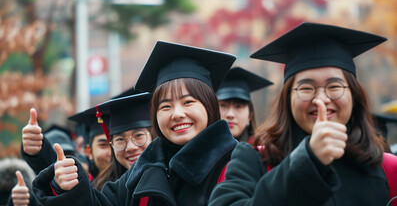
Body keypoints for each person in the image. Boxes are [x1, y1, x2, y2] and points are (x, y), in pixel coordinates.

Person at [209, 22, 397, 205]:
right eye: (306, 88)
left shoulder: (389, 169)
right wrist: (309, 160)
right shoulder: (253, 161)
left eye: (334, 86)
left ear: (354, 95)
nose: (321, 99)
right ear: (288, 98)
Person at [31, 40, 238, 206]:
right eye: (165, 106)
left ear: (210, 106)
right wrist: (69, 184)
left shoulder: (236, 163)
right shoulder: (145, 170)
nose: (177, 114)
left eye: (188, 102)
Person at [90, 91, 153, 190]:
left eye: (139, 135)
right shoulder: (103, 191)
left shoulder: (173, 181)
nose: (130, 147)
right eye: (119, 139)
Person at [216, 67, 273, 141]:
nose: (230, 114)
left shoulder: (262, 151)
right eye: (223, 105)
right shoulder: (201, 150)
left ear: (250, 115)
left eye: (239, 106)